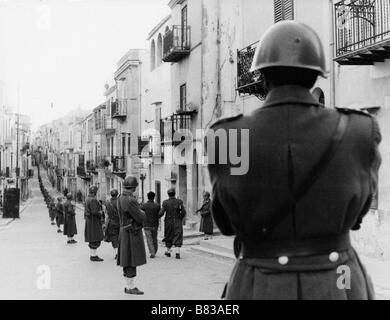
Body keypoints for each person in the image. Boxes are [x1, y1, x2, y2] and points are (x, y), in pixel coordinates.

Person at [207, 21, 381, 300]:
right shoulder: (359, 130)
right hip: (339, 278)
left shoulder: (228, 135)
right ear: (316, 76)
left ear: (262, 77)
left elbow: (226, 223)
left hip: (258, 280)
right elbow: (358, 216)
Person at [117, 176, 146, 295]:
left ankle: (128, 285)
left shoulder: (120, 197)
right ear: (134, 187)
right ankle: (130, 287)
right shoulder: (130, 199)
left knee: (127, 259)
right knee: (131, 259)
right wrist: (143, 212)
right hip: (132, 232)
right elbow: (140, 217)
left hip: (124, 230)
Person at [159, 188, 186, 259]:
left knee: (168, 235)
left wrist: (156, 216)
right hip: (177, 221)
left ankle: (168, 251)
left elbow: (161, 213)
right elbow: (183, 212)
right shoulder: (179, 201)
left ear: (168, 194)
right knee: (178, 235)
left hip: (168, 222)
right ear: (174, 193)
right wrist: (180, 218)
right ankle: (177, 253)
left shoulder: (165, 202)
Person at [84, 185, 104, 262]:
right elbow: (94, 212)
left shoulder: (87, 198)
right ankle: (93, 256)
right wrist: (101, 212)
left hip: (90, 220)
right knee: (95, 237)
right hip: (93, 221)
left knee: (92, 237)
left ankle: (93, 255)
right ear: (95, 192)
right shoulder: (93, 200)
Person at [141, 191, 161, 258]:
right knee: (155, 238)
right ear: (154, 197)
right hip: (155, 224)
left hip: (146, 224)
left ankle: (152, 252)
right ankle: (154, 250)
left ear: (147, 197)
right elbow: (159, 214)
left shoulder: (144, 205)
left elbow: (140, 213)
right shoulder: (157, 205)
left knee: (149, 239)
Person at [104, 189, 120, 259]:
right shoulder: (119, 202)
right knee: (121, 237)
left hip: (111, 222)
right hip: (120, 221)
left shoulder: (107, 202)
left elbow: (106, 213)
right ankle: (121, 252)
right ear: (117, 194)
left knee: (114, 238)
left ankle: (117, 253)